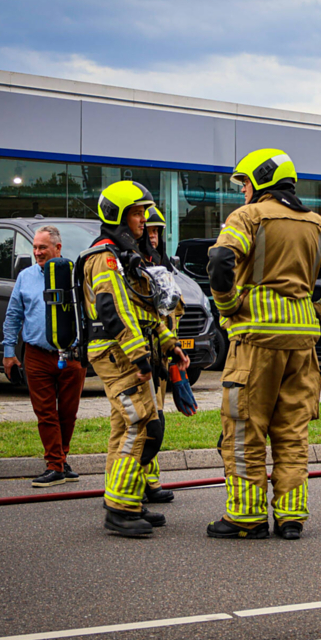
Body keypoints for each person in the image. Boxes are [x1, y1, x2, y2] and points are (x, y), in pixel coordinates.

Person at [206, 148, 321, 540]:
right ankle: (291, 518)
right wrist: (320, 312)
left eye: (244, 183)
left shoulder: (248, 217)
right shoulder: (317, 224)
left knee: (245, 428)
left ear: (260, 180)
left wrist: (229, 307)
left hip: (256, 340)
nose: (242, 190)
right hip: (302, 343)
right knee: (292, 431)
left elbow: (221, 260)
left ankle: (246, 518)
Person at [81, 181, 183, 537]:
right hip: (117, 354)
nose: (144, 219)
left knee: (124, 427)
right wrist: (140, 355)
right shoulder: (104, 256)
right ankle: (120, 508)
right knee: (142, 425)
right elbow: (114, 309)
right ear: (118, 215)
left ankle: (127, 499)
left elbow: (145, 311)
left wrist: (170, 345)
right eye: (137, 212)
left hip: (128, 351)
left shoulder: (127, 256)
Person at [2, 225, 86, 487]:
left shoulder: (76, 275)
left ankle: (61, 458)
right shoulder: (25, 277)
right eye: (35, 247)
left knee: (68, 413)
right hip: (37, 355)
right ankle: (54, 464)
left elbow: (89, 313)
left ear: (57, 248)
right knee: (46, 413)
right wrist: (8, 353)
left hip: (71, 355)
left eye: (42, 248)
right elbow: (13, 315)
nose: (37, 252)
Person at [137, 204, 190, 500]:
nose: (153, 235)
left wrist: (174, 354)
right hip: (141, 356)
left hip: (161, 355)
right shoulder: (133, 263)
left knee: (156, 420)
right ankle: (138, 484)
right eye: (149, 229)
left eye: (158, 230)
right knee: (146, 423)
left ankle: (151, 480)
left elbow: (174, 311)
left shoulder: (162, 264)